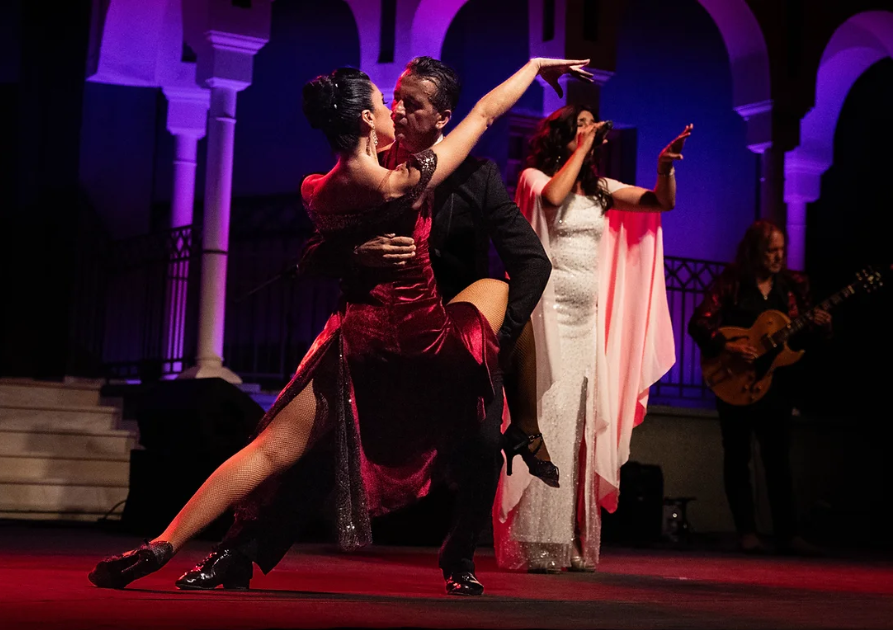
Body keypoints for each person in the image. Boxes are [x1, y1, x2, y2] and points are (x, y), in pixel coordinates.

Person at [88, 57, 593, 593]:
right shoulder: (398, 177)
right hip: (405, 339)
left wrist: (490, 350)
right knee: (312, 457)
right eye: (390, 100)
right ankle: (234, 554)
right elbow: (485, 115)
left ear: (441, 116)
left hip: (399, 338)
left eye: (411, 104)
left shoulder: (335, 185)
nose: (397, 110)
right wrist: (358, 252)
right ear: (366, 119)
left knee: (457, 445)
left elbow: (531, 263)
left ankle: (164, 543)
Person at [494, 105, 684, 573]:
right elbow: (553, 198)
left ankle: (573, 539)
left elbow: (659, 203)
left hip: (586, 322)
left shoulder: (600, 190)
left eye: (591, 125)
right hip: (545, 316)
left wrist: (663, 169)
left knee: (579, 428)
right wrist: (581, 150)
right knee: (549, 420)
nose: (589, 129)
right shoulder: (535, 177)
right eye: (579, 124)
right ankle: (536, 540)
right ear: (560, 134)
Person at [688, 220, 831, 556]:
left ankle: (788, 533)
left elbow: (802, 341)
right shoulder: (732, 282)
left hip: (776, 384)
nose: (779, 257)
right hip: (735, 381)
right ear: (754, 252)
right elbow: (699, 322)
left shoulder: (794, 286)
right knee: (737, 457)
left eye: (782, 250)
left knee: (778, 459)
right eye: (771, 251)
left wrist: (822, 327)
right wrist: (728, 346)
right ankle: (747, 532)